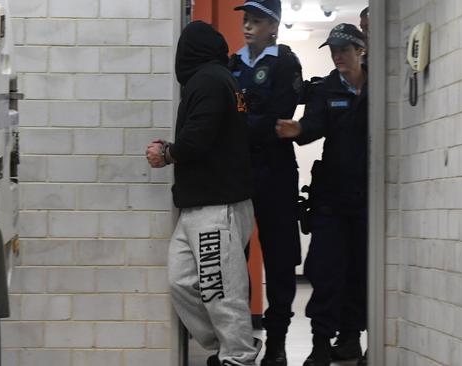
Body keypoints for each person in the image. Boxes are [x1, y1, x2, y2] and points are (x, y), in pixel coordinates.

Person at [146, 20, 259, 366]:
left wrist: (166, 153)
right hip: (201, 204)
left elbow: (198, 137)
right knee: (182, 281)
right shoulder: (216, 79)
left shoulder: (209, 80)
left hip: (216, 204)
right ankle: (227, 346)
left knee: (220, 289)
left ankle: (238, 356)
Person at [276, 23, 368, 366]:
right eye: (333, 50)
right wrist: (299, 129)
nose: (337, 55)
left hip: (367, 200)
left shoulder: (379, 86)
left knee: (361, 272)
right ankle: (319, 343)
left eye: (343, 49)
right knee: (327, 270)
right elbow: (314, 124)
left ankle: (350, 339)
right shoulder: (327, 89)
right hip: (331, 198)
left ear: (360, 50)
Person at [229, 1, 303, 365]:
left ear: (274, 26)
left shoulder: (286, 62)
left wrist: (242, 123)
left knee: (279, 260)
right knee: (233, 260)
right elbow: (232, 115)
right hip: (240, 172)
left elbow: (280, 116)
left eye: (256, 21)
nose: (247, 27)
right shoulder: (232, 64)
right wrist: (252, 121)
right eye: (245, 20)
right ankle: (240, 339)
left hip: (276, 172)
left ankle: (277, 341)